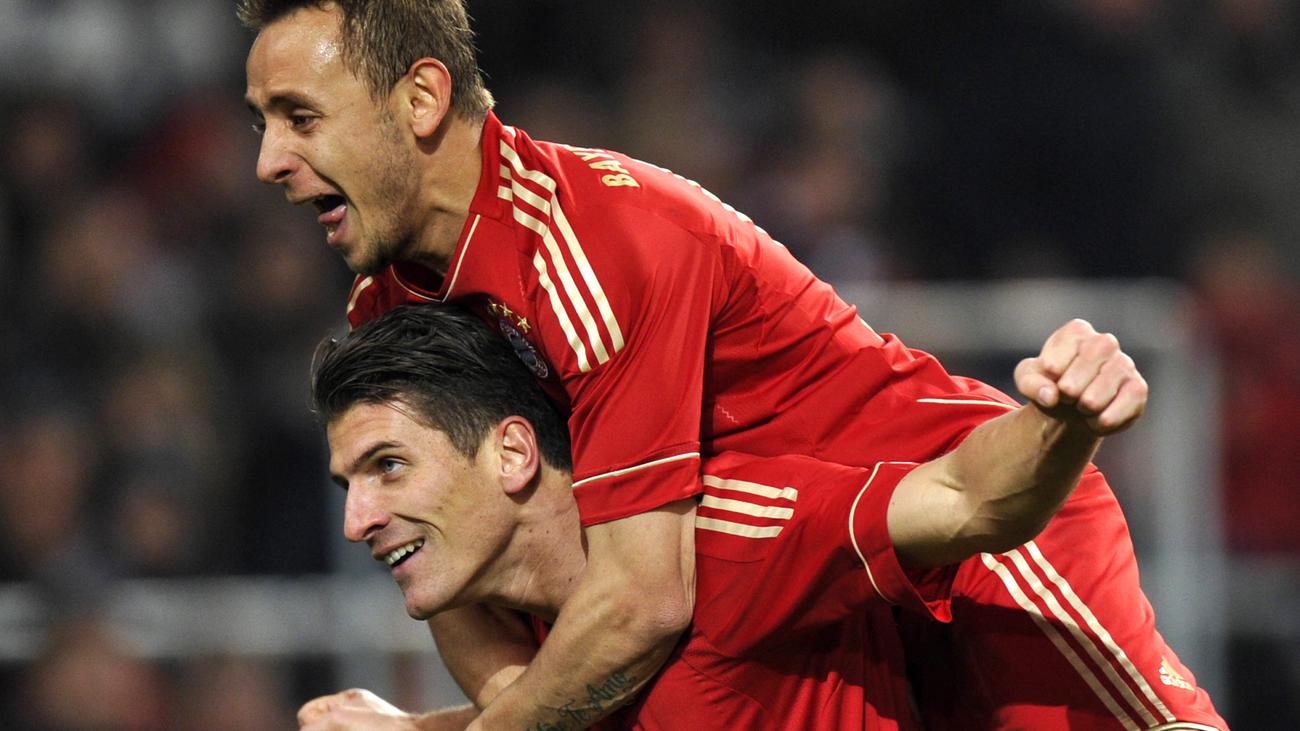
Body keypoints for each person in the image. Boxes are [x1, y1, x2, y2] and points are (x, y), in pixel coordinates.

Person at [240, 2, 1227, 728]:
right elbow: (457, 568)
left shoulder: (598, 244)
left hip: (963, 533)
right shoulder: (388, 309)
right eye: (261, 124)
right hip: (777, 619)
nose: (269, 161)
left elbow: (641, 599)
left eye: (300, 117)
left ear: (421, 97)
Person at [302, 303, 1135, 730]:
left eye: (388, 466)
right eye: (349, 486)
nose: (358, 520)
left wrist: (1065, 421)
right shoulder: (525, 640)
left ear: (514, 453)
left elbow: (964, 497)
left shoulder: (724, 536)